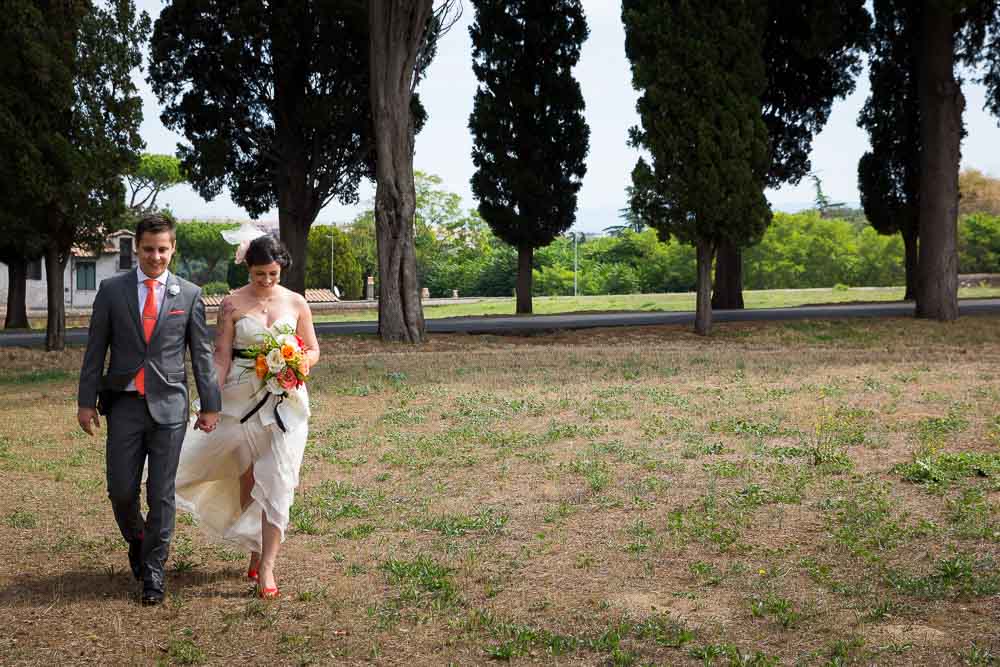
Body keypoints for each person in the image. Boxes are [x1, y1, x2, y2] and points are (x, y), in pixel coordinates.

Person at [77, 213, 221, 606]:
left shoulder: (189, 294)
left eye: (162, 249)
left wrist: (210, 405)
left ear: (173, 249)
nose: (155, 257)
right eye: (148, 249)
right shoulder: (111, 290)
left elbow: (202, 355)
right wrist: (85, 401)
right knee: (121, 490)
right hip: (123, 405)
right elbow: (95, 350)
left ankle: (154, 570)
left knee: (161, 495)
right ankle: (139, 538)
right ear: (135, 250)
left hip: (170, 408)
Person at [175, 234, 319, 599]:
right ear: (248, 269)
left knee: (280, 477)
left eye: (272, 273)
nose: (267, 281)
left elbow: (314, 349)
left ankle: (267, 566)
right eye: (259, 274)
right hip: (239, 398)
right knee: (247, 474)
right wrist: (210, 402)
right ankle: (254, 544)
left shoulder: (297, 302)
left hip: (287, 402)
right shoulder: (230, 304)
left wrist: (302, 360)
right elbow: (220, 357)